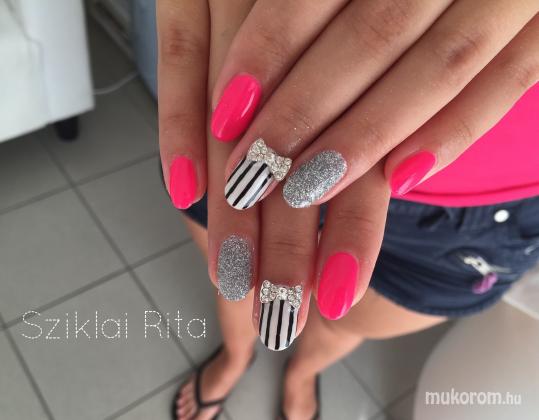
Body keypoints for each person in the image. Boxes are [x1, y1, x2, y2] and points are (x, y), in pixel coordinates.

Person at [155, 0, 539, 418]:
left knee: (340, 317)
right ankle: (235, 356)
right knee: (237, 277)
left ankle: (301, 373)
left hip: (490, 206)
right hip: (249, 75)